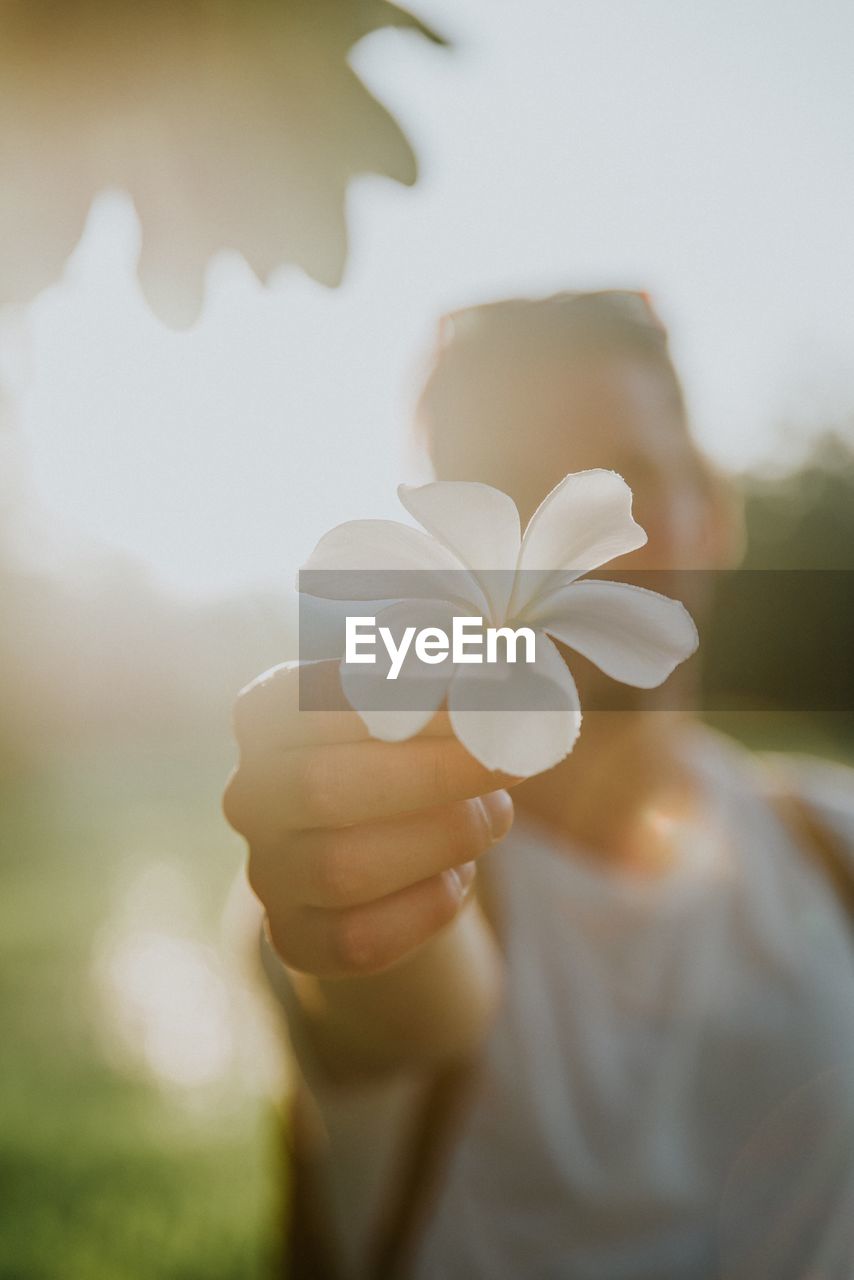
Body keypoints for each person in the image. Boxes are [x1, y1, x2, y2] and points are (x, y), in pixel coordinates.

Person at [223, 292, 854, 1279]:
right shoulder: (433, 847)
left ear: (713, 510)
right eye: (519, 489)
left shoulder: (832, 843)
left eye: (631, 480)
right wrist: (342, 864)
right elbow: (387, 969)